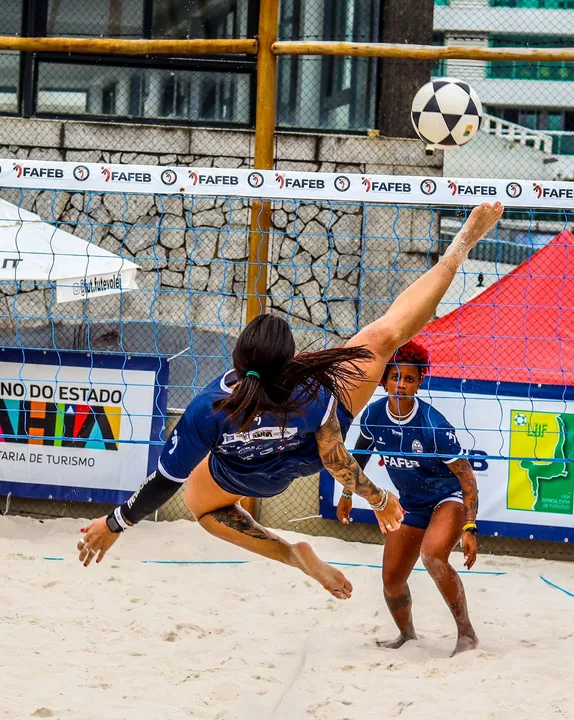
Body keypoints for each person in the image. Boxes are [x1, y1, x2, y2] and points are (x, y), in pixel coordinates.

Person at [77, 202, 504, 602]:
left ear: (239, 360)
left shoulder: (209, 407)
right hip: (304, 457)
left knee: (198, 503)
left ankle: (288, 552)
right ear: (289, 361)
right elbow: (335, 458)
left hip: (242, 477)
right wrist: (379, 499)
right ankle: (460, 245)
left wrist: (113, 524)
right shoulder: (313, 391)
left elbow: (162, 483)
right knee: (384, 337)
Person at [336, 340, 480, 655]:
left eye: (410, 379)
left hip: (448, 498)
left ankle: (466, 634)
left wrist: (469, 527)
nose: (401, 384)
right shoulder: (374, 414)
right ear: (385, 379)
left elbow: (467, 479)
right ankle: (407, 635)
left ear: (418, 383)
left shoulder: (433, 425)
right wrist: (348, 493)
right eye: (395, 377)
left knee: (432, 556)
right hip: (413, 504)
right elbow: (359, 457)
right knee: (391, 578)